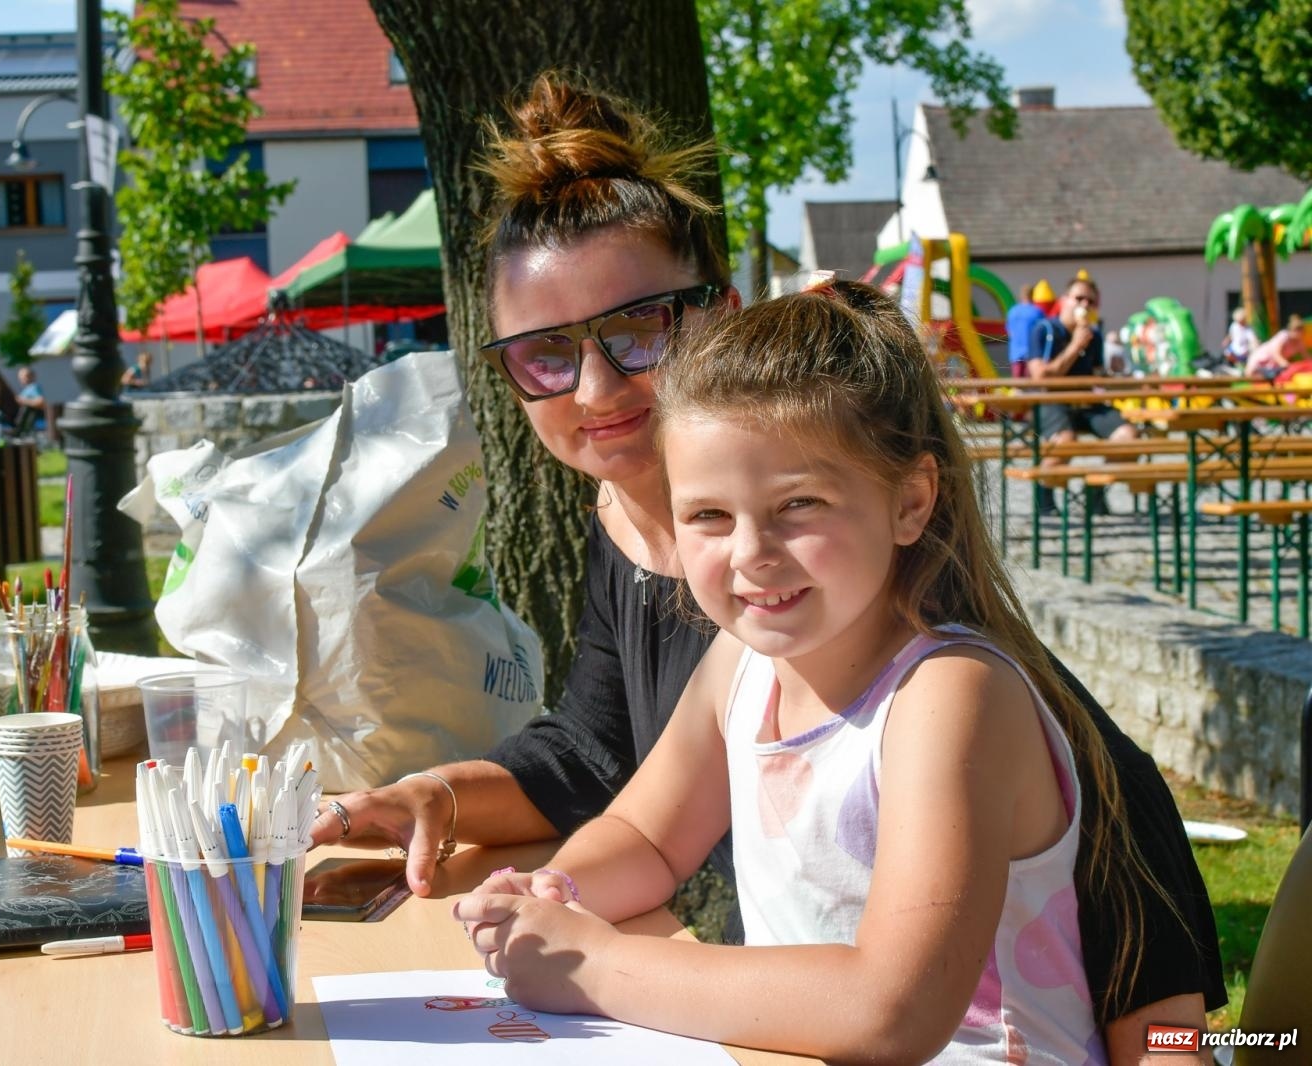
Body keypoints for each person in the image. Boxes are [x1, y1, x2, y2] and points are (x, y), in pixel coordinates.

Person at [309, 72, 1223, 1044]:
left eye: (635, 327)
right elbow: (599, 757)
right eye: (545, 352)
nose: (595, 382)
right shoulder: (705, 598)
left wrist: (598, 959)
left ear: (714, 313)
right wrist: (456, 813)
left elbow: (1043, 923)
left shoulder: (911, 646)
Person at [455, 283, 1210, 1062]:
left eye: (799, 504)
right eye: (708, 515)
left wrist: (593, 965)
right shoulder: (742, 665)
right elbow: (648, 838)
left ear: (910, 502)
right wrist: (554, 893)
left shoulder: (949, 695)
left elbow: (891, 1011)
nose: (751, 553)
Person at [1026, 272, 1136, 516]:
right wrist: (1075, 346)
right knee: (1066, 441)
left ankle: (1096, 488)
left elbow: (1096, 377)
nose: (1084, 305)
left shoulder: (1094, 336)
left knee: (1129, 435)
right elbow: (1040, 377)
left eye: (1090, 301)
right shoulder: (1045, 329)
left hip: (1086, 403)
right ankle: (1044, 495)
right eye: (1079, 299)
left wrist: (1113, 375)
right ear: (1066, 299)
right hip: (1052, 401)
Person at [1003, 279, 1051, 379]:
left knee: (1017, 384)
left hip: (1015, 352)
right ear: (1032, 295)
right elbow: (1044, 332)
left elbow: (1009, 332)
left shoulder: (1012, 311)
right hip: (1032, 354)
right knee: (1031, 386)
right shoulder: (1037, 312)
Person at [1244, 313, 1305, 379]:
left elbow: (1306, 356)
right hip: (1262, 360)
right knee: (1253, 378)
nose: (1299, 333)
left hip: (1274, 366)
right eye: (1297, 330)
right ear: (1291, 330)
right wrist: (1286, 365)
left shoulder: (1299, 342)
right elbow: (1276, 353)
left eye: (1301, 331)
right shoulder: (1283, 336)